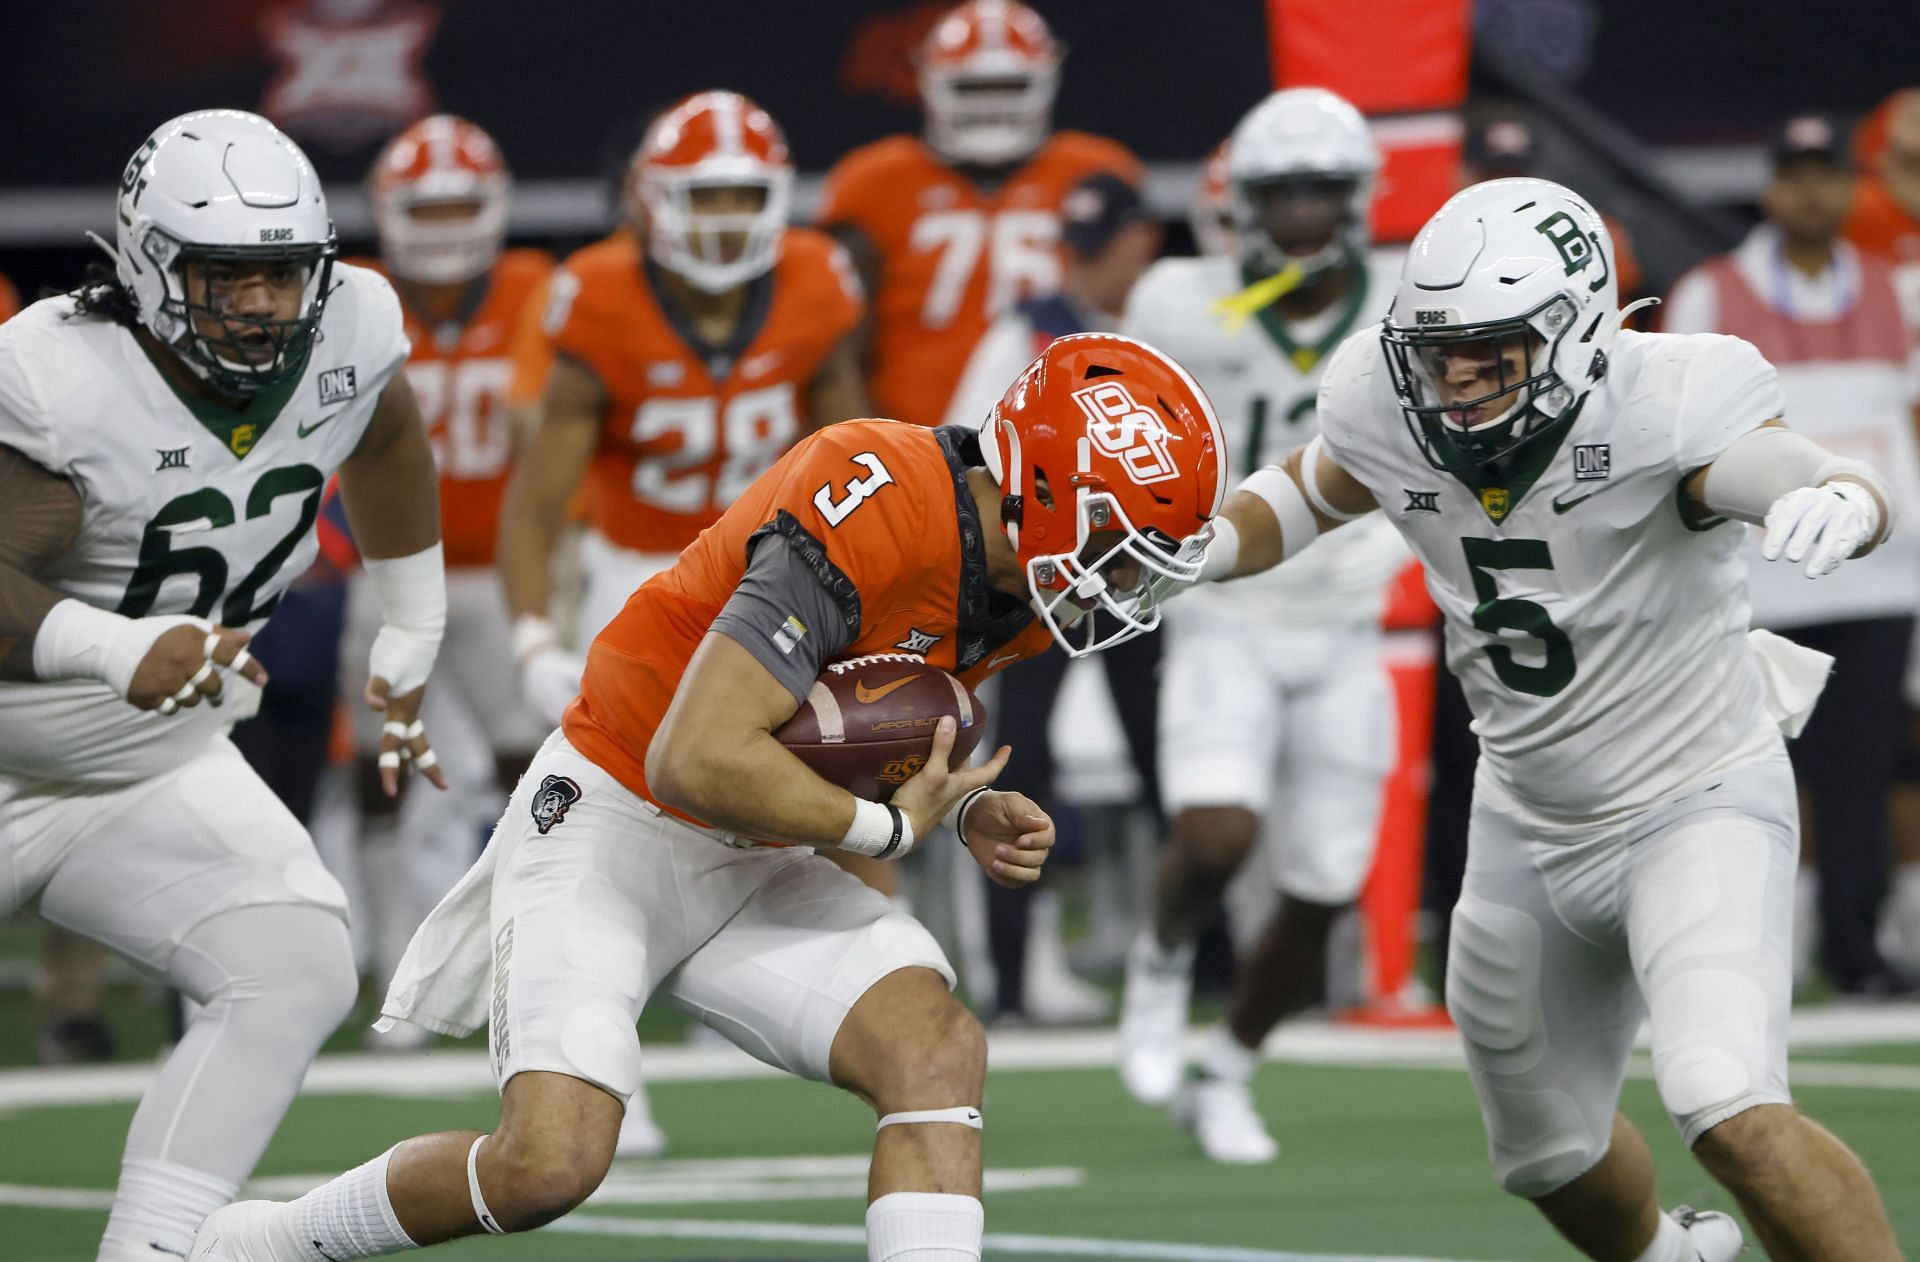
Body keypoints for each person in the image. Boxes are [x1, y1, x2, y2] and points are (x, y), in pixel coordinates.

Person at [188, 332, 1226, 1262]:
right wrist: (888, 827)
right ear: (1039, 487)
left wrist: (952, 801)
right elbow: (697, 754)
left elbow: (864, 717)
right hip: (615, 811)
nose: (1115, 584)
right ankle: (262, 1244)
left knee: (937, 1048)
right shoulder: (874, 496)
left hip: (755, 843)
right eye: (1113, 542)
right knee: (546, 1164)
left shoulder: (1021, 580)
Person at [1189, 176, 1904, 1261]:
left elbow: (1772, 462)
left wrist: (1839, 491)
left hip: (1693, 796)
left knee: (1727, 1106)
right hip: (1525, 813)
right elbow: (1313, 487)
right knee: (1546, 1154)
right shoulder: (1390, 404)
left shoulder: (1668, 394)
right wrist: (1195, 547)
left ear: (1573, 332)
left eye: (1491, 349)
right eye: (1438, 352)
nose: (1458, 379)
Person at [0, 109, 447, 1261]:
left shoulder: (349, 326)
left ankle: (148, 1251)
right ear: (150, 267)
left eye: (282, 273)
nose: (259, 304)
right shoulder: (57, 379)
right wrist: (111, 646)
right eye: (226, 275)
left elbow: (387, 432)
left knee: (294, 962)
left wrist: (412, 617)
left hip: (138, 764)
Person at [1113, 87, 1409, 1165]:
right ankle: (1157, 962)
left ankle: (1227, 1068)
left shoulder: (1408, 299)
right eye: (1279, 193)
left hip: (1346, 621)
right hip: (1226, 607)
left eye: (1318, 191)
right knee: (1218, 830)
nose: (1298, 215)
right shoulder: (1178, 300)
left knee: (1326, 886)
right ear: (1242, 201)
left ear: (1357, 196)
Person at [502, 90, 867, 723]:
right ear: (654, 201)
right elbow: (535, 504)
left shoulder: (815, 283)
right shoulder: (600, 295)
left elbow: (860, 462)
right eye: (705, 196)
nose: (726, 219)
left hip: (779, 565)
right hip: (636, 573)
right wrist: (532, 640)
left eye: (744, 196)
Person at [1665, 114, 1920, 998]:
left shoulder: (1897, 290)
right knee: (1744, 769)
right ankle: (1741, 951)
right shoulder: (1710, 293)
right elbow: (1683, 435)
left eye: (1828, 173)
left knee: (1861, 773)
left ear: (1854, 186)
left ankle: (1856, 952)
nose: (1813, 191)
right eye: (1796, 173)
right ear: (1771, 188)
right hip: (1763, 584)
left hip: (1884, 575)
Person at [337, 114, 557, 1046]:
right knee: (388, 771)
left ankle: (525, 966)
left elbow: (543, 426)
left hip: (502, 577)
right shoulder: (358, 296)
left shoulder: (534, 286)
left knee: (531, 774)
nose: (444, 224)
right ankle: (400, 975)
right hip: (391, 572)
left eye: (460, 205)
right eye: (427, 207)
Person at [941, 171, 1164, 1026]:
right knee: (1019, 765)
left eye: (1109, 247)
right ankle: (1006, 973)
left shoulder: (1169, 322)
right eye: (1087, 251)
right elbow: (968, 449)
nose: (1099, 267)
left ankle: (1200, 962)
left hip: (1147, 578)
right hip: (1053, 586)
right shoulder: (1027, 332)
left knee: (1168, 771)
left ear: (1142, 242)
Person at [818, 0, 1141, 429]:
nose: (991, 104)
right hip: (914, 441)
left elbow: (1132, 317)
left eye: (1007, 87)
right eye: (974, 88)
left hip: (1065, 433)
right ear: (931, 81)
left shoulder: (1096, 171)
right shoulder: (874, 181)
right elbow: (840, 342)